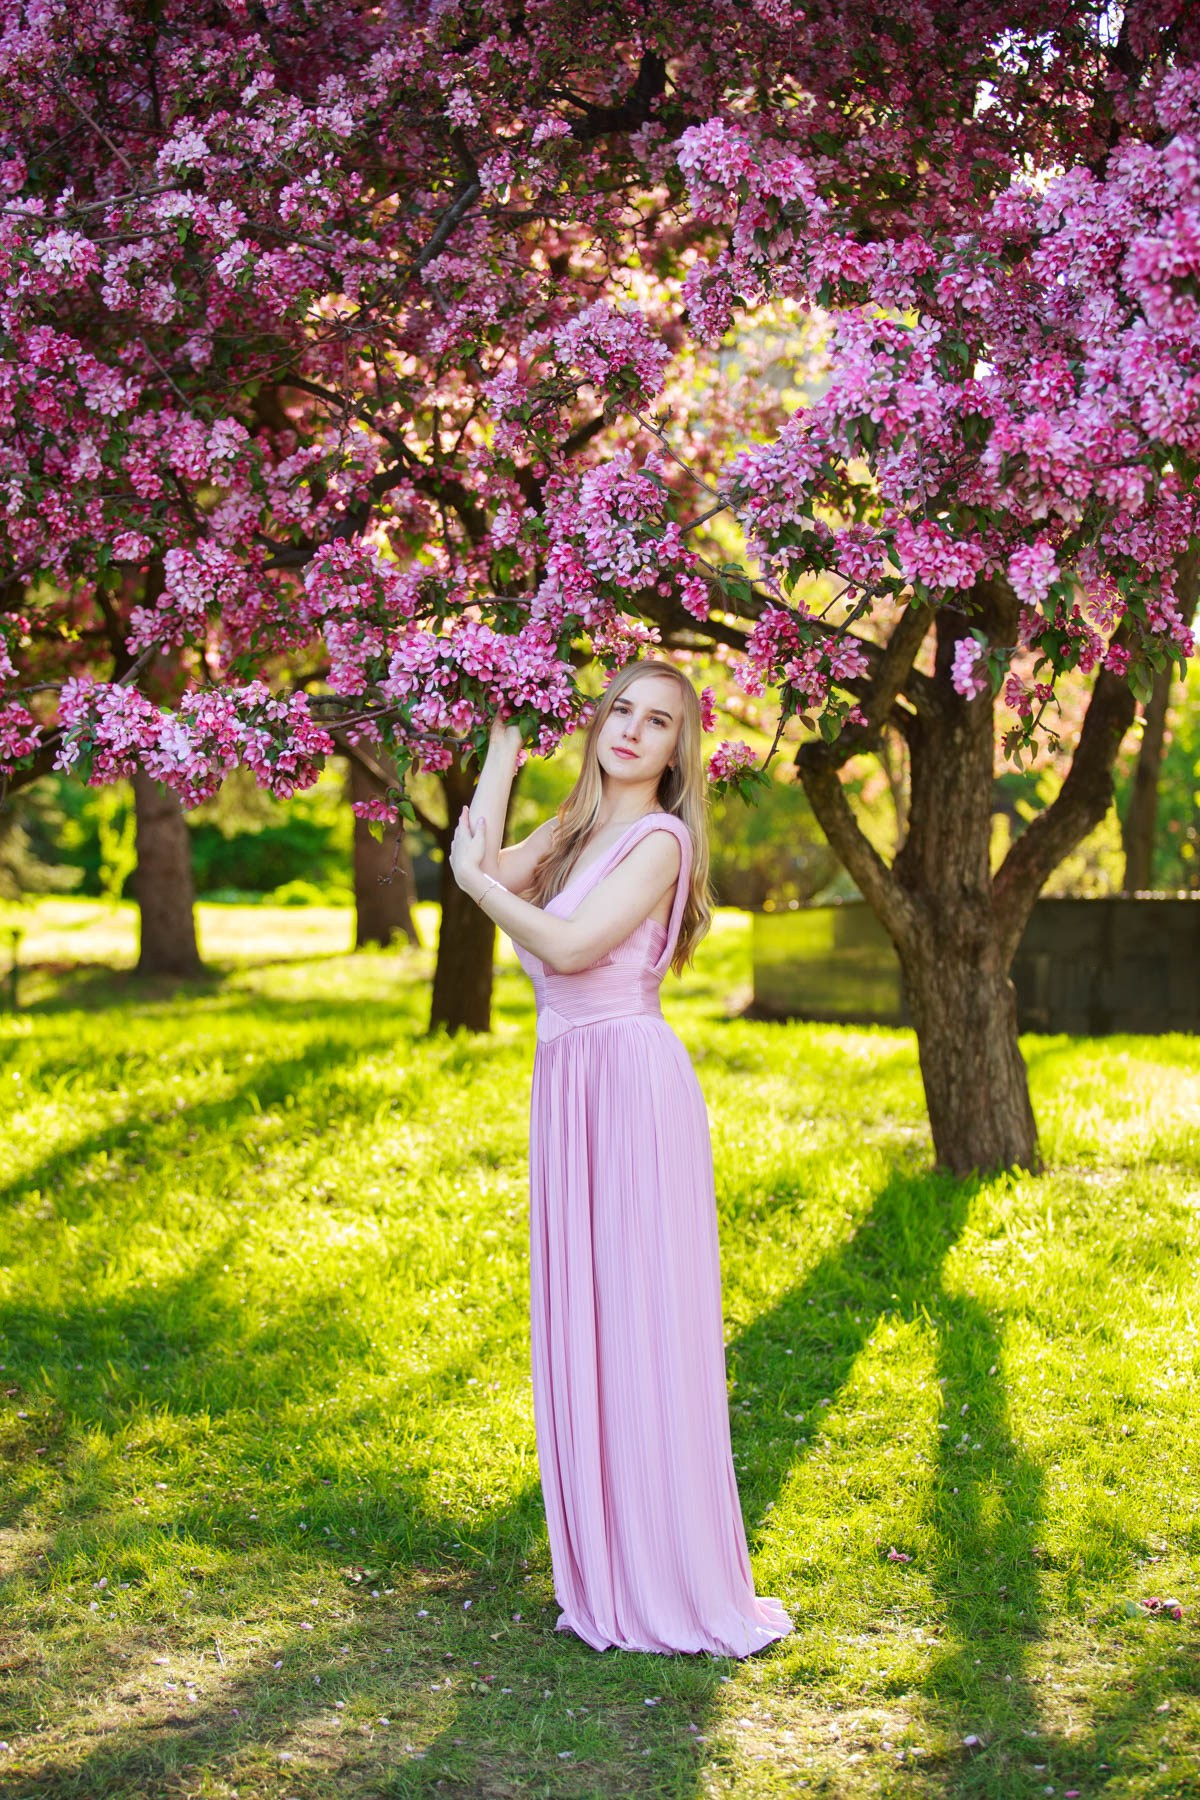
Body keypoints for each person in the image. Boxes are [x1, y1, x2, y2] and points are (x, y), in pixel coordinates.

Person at [449, 659, 793, 1658]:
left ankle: (665, 1570)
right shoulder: (583, 823)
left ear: (680, 749)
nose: (634, 732)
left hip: (630, 1088)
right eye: (622, 712)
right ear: (598, 723)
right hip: (569, 1083)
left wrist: (475, 883)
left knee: (641, 1318)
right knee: (587, 1319)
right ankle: (606, 1560)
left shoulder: (659, 837)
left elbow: (561, 946)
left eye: (659, 723)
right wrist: (505, 750)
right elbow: (485, 858)